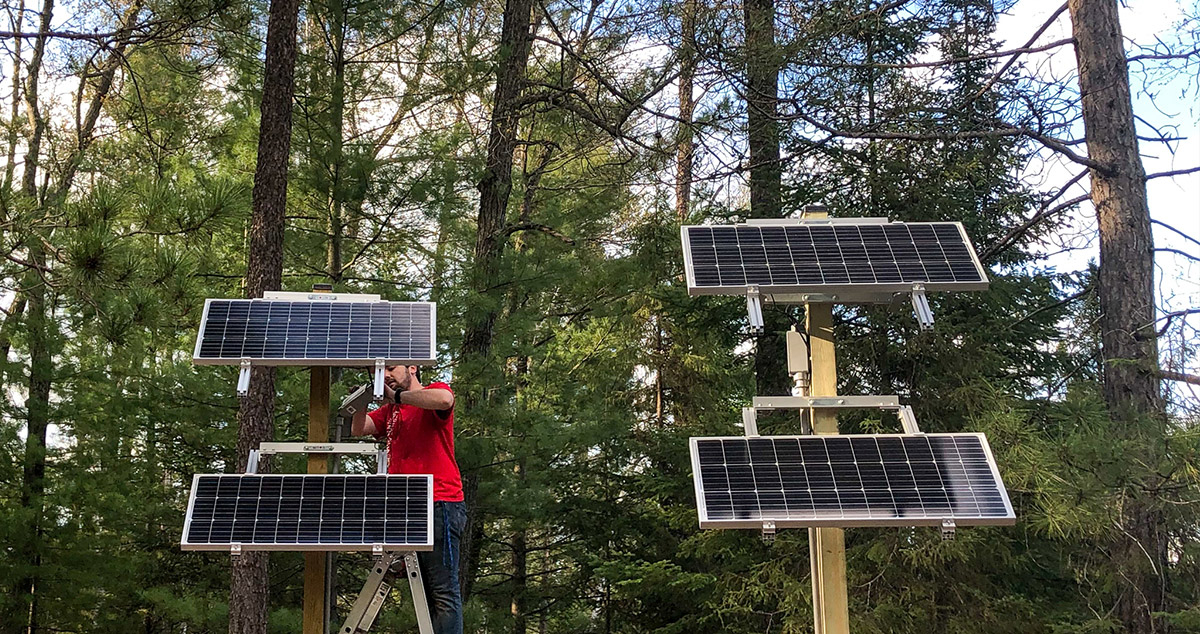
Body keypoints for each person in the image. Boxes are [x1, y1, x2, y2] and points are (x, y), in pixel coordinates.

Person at [350, 365, 464, 634]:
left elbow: (445, 400)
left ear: (412, 368)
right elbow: (359, 429)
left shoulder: (431, 394)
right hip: (407, 508)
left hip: (439, 502)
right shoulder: (391, 411)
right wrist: (361, 402)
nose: (386, 374)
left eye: (391, 368)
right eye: (380, 371)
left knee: (444, 593)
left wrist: (397, 396)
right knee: (425, 595)